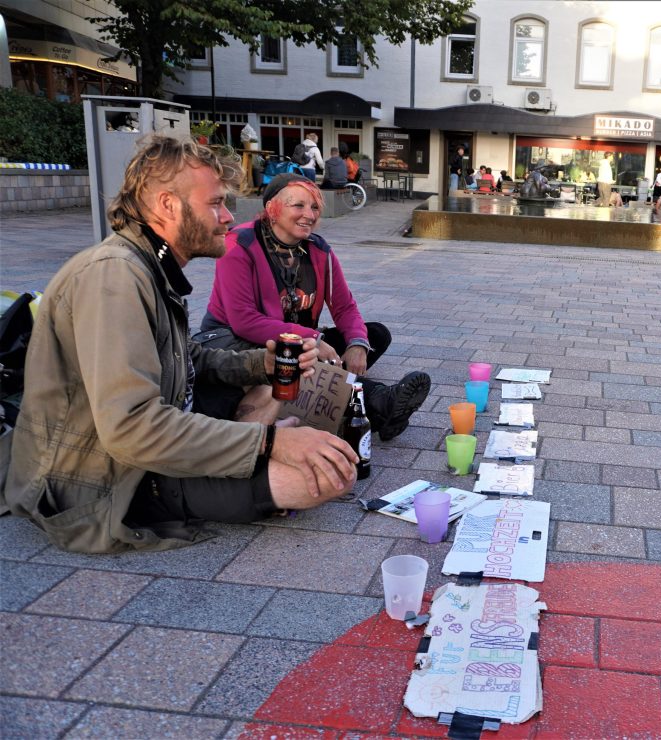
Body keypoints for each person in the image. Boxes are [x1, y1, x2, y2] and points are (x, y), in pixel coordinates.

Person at [1, 136, 360, 554]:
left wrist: (259, 365)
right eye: (215, 204)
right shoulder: (114, 278)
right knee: (323, 479)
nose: (227, 217)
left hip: (156, 436)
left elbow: (189, 358)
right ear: (168, 205)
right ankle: (245, 452)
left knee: (277, 387)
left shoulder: (149, 267)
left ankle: (244, 446)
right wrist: (269, 443)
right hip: (105, 479)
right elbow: (131, 428)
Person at [201, 173, 431, 439]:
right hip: (235, 342)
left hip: (299, 342)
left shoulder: (318, 249)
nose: (308, 214)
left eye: (314, 207)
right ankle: (378, 401)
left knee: (375, 335)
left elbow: (344, 307)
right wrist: (313, 338)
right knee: (298, 356)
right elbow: (244, 320)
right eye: (298, 206)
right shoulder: (240, 243)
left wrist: (357, 343)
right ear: (272, 209)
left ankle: (367, 409)